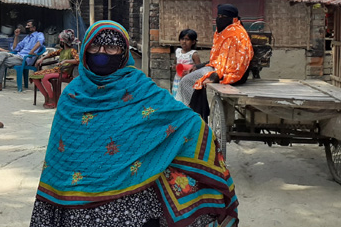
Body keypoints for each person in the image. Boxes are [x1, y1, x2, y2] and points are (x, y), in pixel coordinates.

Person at [29, 20, 238, 227]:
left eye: (111, 47)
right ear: (84, 49)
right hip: (79, 207)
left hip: (135, 198)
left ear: (123, 53)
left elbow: (184, 120)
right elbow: (60, 159)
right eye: (94, 46)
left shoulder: (140, 87)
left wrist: (199, 134)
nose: (101, 53)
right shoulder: (72, 96)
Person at [177, 4, 253, 121]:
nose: (219, 19)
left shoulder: (236, 35)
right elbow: (217, 60)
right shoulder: (223, 33)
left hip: (230, 73)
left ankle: (187, 114)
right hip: (217, 68)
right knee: (187, 81)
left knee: (186, 82)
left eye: (223, 16)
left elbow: (237, 63)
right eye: (218, 16)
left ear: (233, 19)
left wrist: (217, 75)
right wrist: (199, 66)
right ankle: (191, 112)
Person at [0, 19, 44, 92]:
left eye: (28, 26)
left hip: (25, 59)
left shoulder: (39, 34)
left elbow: (40, 42)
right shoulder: (27, 37)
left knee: (1, 59)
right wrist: (16, 36)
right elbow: (15, 48)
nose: (26, 27)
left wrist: (32, 51)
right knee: (1, 56)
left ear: (34, 28)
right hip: (18, 56)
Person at [30, 29, 80, 109]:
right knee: (35, 76)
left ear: (63, 42)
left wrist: (65, 61)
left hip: (64, 73)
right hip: (57, 70)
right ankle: (46, 96)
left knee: (45, 77)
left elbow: (78, 60)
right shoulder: (62, 50)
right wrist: (42, 59)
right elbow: (51, 54)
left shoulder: (72, 50)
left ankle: (52, 99)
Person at [172, 29, 201, 98]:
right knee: (177, 96)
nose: (184, 42)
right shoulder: (178, 52)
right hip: (178, 79)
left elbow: (199, 68)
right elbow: (175, 63)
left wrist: (190, 70)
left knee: (186, 97)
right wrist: (174, 67)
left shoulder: (193, 54)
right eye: (182, 39)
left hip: (188, 80)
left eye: (187, 39)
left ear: (193, 42)